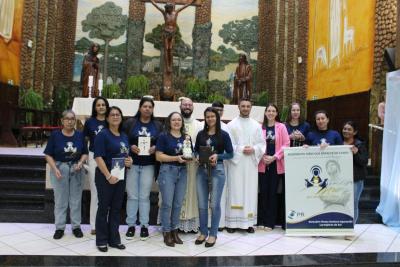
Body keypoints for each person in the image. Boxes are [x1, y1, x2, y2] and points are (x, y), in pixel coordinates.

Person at [44, 110, 88, 240]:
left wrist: (81, 162)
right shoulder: (55, 136)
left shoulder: (80, 135)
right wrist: (54, 168)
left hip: (76, 168)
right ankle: (60, 227)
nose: (70, 121)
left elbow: (85, 152)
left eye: (72, 119)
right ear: (62, 121)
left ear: (75, 121)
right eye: (67, 119)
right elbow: (48, 154)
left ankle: (76, 227)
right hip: (60, 168)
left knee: (76, 199)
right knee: (60, 200)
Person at [94, 106, 133, 252]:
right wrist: (108, 176)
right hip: (106, 177)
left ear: (121, 118)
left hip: (121, 176)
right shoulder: (102, 135)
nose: (115, 117)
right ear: (108, 118)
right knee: (104, 208)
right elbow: (98, 157)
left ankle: (114, 239)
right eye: (112, 115)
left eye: (118, 114)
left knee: (116, 209)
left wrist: (130, 162)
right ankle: (101, 240)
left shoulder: (124, 136)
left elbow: (126, 156)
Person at [123, 97, 162, 241]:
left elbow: (163, 141)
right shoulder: (130, 123)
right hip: (132, 163)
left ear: (152, 109)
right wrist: (129, 147)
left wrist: (156, 147)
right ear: (140, 108)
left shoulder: (157, 125)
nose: (147, 109)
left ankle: (144, 225)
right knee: (132, 195)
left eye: (150, 107)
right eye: (144, 106)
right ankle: (131, 225)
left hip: (149, 164)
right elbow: (121, 139)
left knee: (144, 196)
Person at [194, 107, 233, 247]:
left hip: (217, 171)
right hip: (201, 171)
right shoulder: (200, 134)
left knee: (214, 204)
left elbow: (230, 154)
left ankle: (213, 234)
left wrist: (218, 156)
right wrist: (197, 157)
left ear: (217, 118)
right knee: (202, 204)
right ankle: (203, 232)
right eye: (207, 116)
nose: (210, 119)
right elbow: (195, 151)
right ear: (205, 118)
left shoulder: (223, 135)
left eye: (212, 116)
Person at [225, 98, 266, 233]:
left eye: (248, 106)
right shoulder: (231, 125)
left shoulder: (256, 125)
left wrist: (254, 149)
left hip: (250, 164)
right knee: (235, 190)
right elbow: (228, 145)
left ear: (251, 107)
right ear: (238, 107)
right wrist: (242, 149)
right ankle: (232, 223)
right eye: (243, 106)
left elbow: (262, 144)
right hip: (236, 163)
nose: (245, 108)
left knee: (250, 191)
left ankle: (248, 223)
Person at [156, 112, 189, 247]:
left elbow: (188, 154)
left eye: (179, 120)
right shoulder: (163, 136)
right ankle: (166, 232)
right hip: (167, 171)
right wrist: (176, 158)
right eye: (174, 120)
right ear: (169, 122)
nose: (176, 122)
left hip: (183, 171)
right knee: (167, 204)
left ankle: (175, 231)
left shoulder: (187, 138)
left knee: (177, 204)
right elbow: (158, 156)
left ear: (182, 122)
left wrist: (192, 157)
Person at [258, 104, 290, 231]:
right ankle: (261, 220)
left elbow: (286, 144)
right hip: (262, 163)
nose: (271, 113)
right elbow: (256, 143)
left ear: (277, 113)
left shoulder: (281, 127)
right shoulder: (260, 127)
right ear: (265, 113)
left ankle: (270, 222)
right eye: (268, 111)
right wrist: (263, 156)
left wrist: (275, 157)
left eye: (273, 111)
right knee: (262, 192)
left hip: (276, 164)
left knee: (272, 193)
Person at [83, 96, 109, 235]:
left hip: (108, 157)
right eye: (98, 105)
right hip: (94, 156)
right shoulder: (89, 122)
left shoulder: (111, 120)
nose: (101, 107)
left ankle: (106, 222)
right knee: (95, 191)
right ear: (95, 107)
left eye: (103, 105)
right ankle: (94, 224)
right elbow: (85, 139)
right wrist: (85, 156)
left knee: (108, 191)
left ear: (106, 106)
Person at [149, 0, 196, 73]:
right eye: (167, 8)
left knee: (170, 49)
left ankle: (170, 66)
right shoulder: (165, 14)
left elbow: (185, 6)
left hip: (172, 34)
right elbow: (157, 6)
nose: (168, 9)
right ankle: (167, 66)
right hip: (166, 33)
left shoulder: (175, 13)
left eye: (169, 8)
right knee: (166, 49)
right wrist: (151, 1)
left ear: (172, 7)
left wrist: (192, 1)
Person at [178, 97, 203, 232]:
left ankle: (191, 224)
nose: (187, 106)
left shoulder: (199, 125)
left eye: (189, 104)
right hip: (176, 164)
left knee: (192, 193)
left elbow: (202, 144)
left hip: (193, 166)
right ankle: (174, 223)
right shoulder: (174, 121)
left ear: (193, 107)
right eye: (184, 104)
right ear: (180, 106)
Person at [342, 121, 368, 223]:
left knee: (353, 204)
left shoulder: (359, 145)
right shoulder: (338, 143)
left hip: (356, 180)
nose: (346, 131)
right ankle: (342, 226)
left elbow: (364, 161)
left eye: (349, 129)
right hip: (342, 180)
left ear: (355, 132)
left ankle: (351, 227)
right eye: (344, 129)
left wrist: (356, 153)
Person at [211, 101, 230, 231]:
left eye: (220, 110)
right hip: (203, 168)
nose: (218, 112)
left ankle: (219, 224)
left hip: (219, 166)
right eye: (215, 110)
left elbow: (231, 150)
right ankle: (205, 224)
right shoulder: (203, 126)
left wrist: (218, 157)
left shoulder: (226, 128)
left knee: (217, 198)